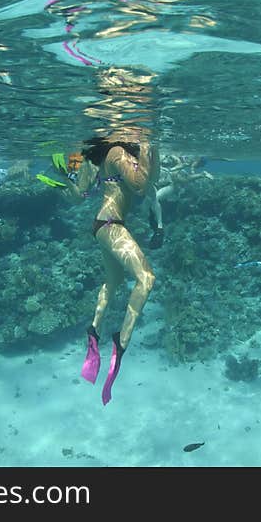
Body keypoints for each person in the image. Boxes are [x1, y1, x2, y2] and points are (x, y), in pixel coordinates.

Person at [56, 136, 159, 406]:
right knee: (146, 279)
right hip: (112, 224)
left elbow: (80, 197)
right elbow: (138, 186)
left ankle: (94, 329)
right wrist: (148, 148)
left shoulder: (107, 159)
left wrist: (66, 182)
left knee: (113, 282)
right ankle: (120, 341)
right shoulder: (117, 152)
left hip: (103, 224)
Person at [144, 153, 213, 248]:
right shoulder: (161, 159)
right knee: (153, 201)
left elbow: (181, 167)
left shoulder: (174, 158)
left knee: (156, 198)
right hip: (159, 181)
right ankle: (158, 227)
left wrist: (174, 169)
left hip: (170, 183)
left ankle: (159, 227)